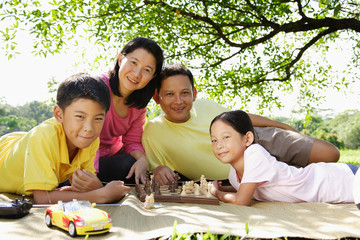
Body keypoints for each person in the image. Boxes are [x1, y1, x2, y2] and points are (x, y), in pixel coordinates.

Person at [142, 63, 340, 185]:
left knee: (330, 153)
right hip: (240, 174)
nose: (178, 101)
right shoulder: (154, 131)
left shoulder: (204, 106)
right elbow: (155, 168)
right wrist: (158, 170)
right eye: (169, 94)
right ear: (157, 98)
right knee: (302, 179)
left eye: (184, 93)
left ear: (194, 94)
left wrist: (283, 127)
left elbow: (243, 118)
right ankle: (300, 175)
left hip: (258, 140)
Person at [0, 73, 130, 204]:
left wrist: (97, 187)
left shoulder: (90, 140)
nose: (89, 128)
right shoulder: (43, 138)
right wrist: (102, 195)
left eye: (98, 118)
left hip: (22, 142)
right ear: (59, 114)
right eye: (80, 116)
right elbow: (42, 198)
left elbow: (84, 187)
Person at [209, 110, 357, 205]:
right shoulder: (233, 173)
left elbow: (241, 200)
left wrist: (216, 192)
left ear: (247, 138)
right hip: (337, 185)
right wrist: (222, 187)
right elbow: (243, 189)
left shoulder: (254, 153)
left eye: (226, 137)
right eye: (214, 140)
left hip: (340, 180)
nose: (219, 145)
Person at [95, 37, 164, 185]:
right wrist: (90, 175)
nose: (137, 74)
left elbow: (131, 141)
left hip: (108, 159)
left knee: (131, 165)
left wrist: (142, 159)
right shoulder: (97, 88)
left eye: (147, 70)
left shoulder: (138, 106)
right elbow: (85, 137)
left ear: (153, 77)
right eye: (133, 62)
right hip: (81, 158)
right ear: (120, 59)